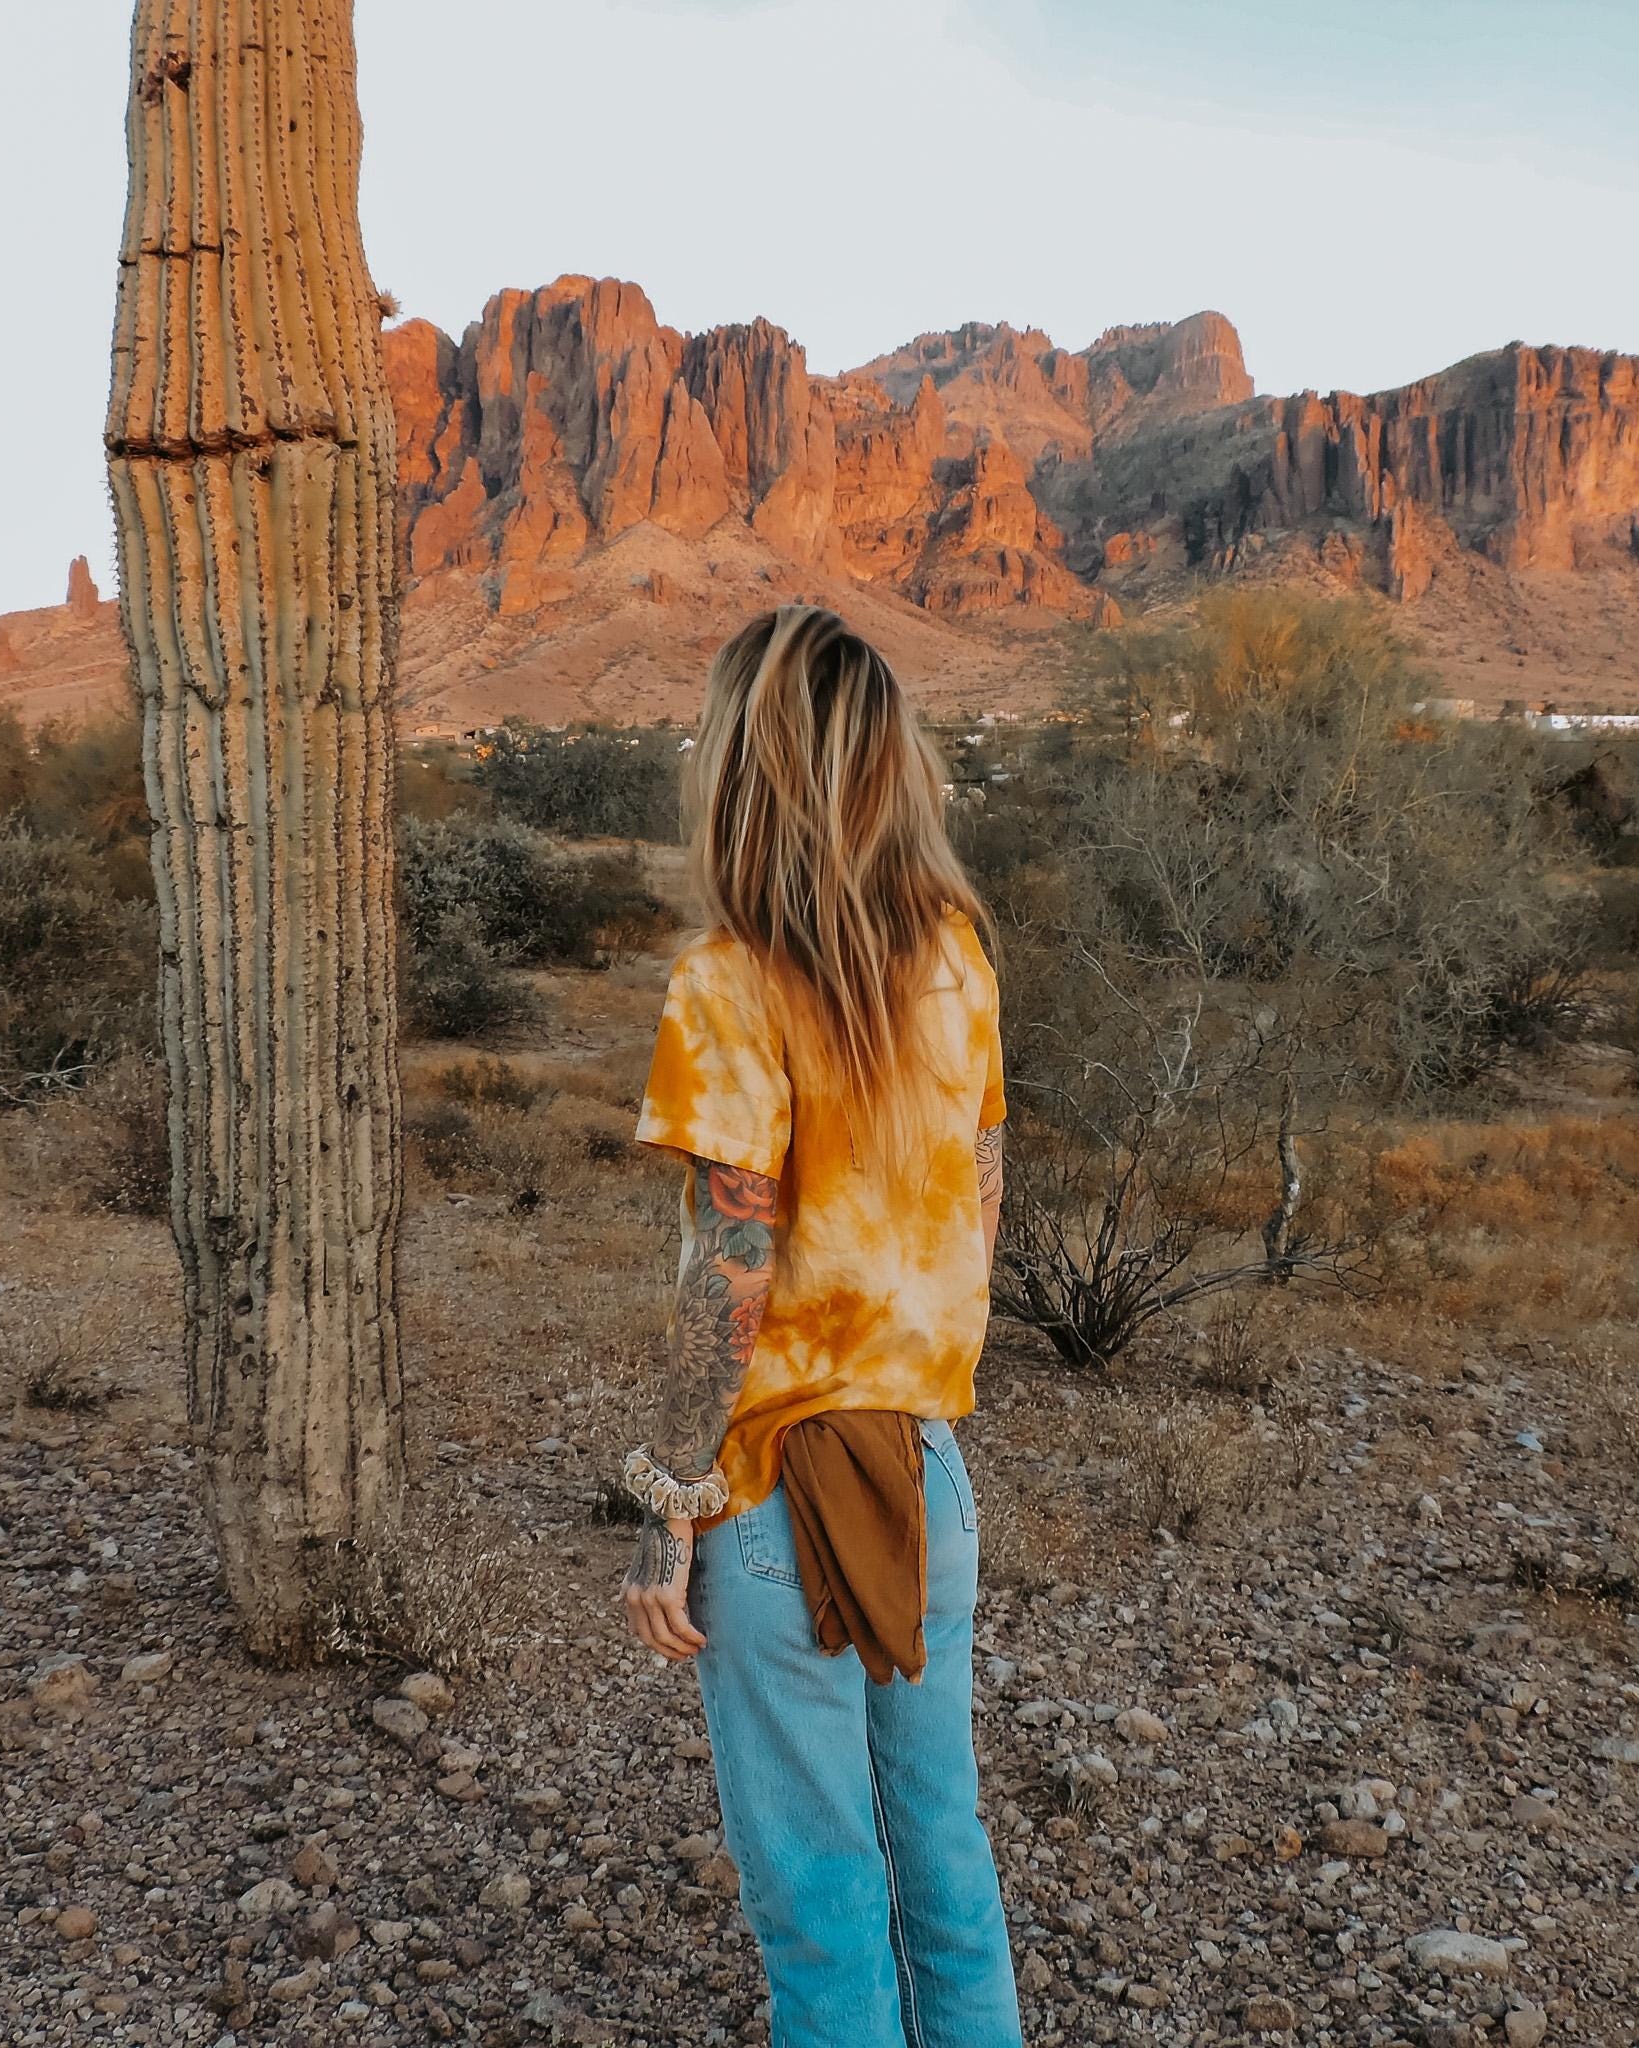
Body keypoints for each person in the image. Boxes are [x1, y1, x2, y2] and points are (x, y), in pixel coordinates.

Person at [617, 606, 1023, 2048]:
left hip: (781, 1490)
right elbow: (978, 1200)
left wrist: (670, 1507)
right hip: (927, 1470)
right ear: (887, 769)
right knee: (944, 1868)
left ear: (744, 766)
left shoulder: (726, 982)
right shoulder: (958, 958)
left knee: (822, 1903)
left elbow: (729, 1266)